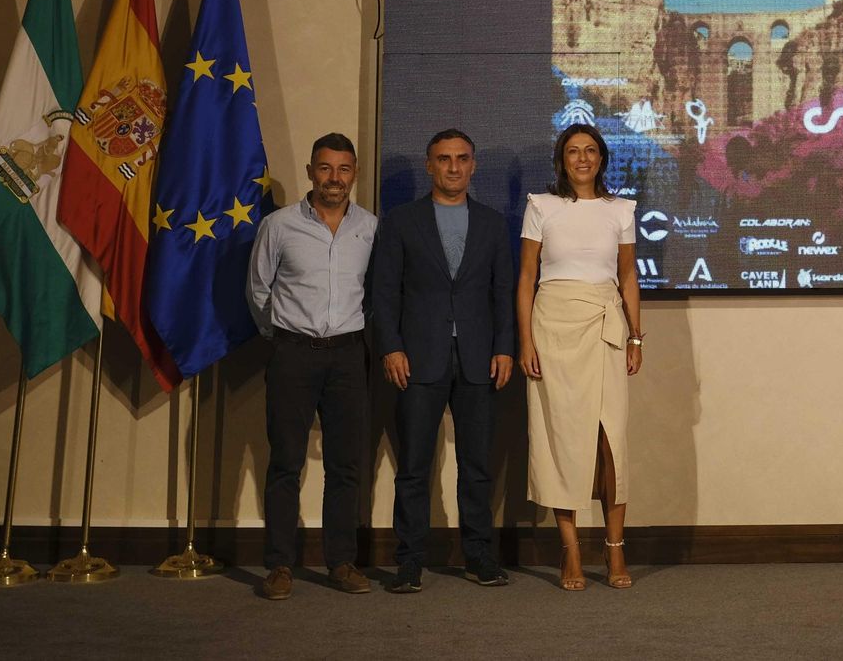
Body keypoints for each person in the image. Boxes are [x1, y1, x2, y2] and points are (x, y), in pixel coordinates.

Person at [370, 129, 516, 593]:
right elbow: (384, 291)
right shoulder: (400, 221)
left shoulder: (493, 224)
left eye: (462, 158)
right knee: (414, 466)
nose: (453, 167)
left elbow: (503, 293)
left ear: (473, 165)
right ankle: (409, 561)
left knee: (477, 466)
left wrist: (505, 347)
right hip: (416, 358)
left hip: (479, 360)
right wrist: (390, 346)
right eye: (443, 159)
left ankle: (479, 557)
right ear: (429, 165)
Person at [247, 133, 377, 600]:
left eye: (344, 169)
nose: (334, 179)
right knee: (285, 462)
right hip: (293, 354)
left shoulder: (370, 228)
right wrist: (282, 338)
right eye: (325, 168)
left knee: (345, 465)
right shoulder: (279, 226)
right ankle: (279, 565)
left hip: (348, 356)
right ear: (310, 172)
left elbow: (375, 293)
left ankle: (341, 562)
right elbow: (258, 291)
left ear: (354, 173)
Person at [517, 123, 643, 590]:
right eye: (574, 151)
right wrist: (525, 342)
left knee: (612, 445)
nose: (583, 158)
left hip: (606, 329)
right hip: (553, 330)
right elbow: (527, 278)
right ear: (562, 159)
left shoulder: (620, 209)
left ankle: (614, 551)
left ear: (602, 158)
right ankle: (570, 552)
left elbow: (627, 277)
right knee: (563, 440)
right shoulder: (541, 207)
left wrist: (636, 337)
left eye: (591, 151)